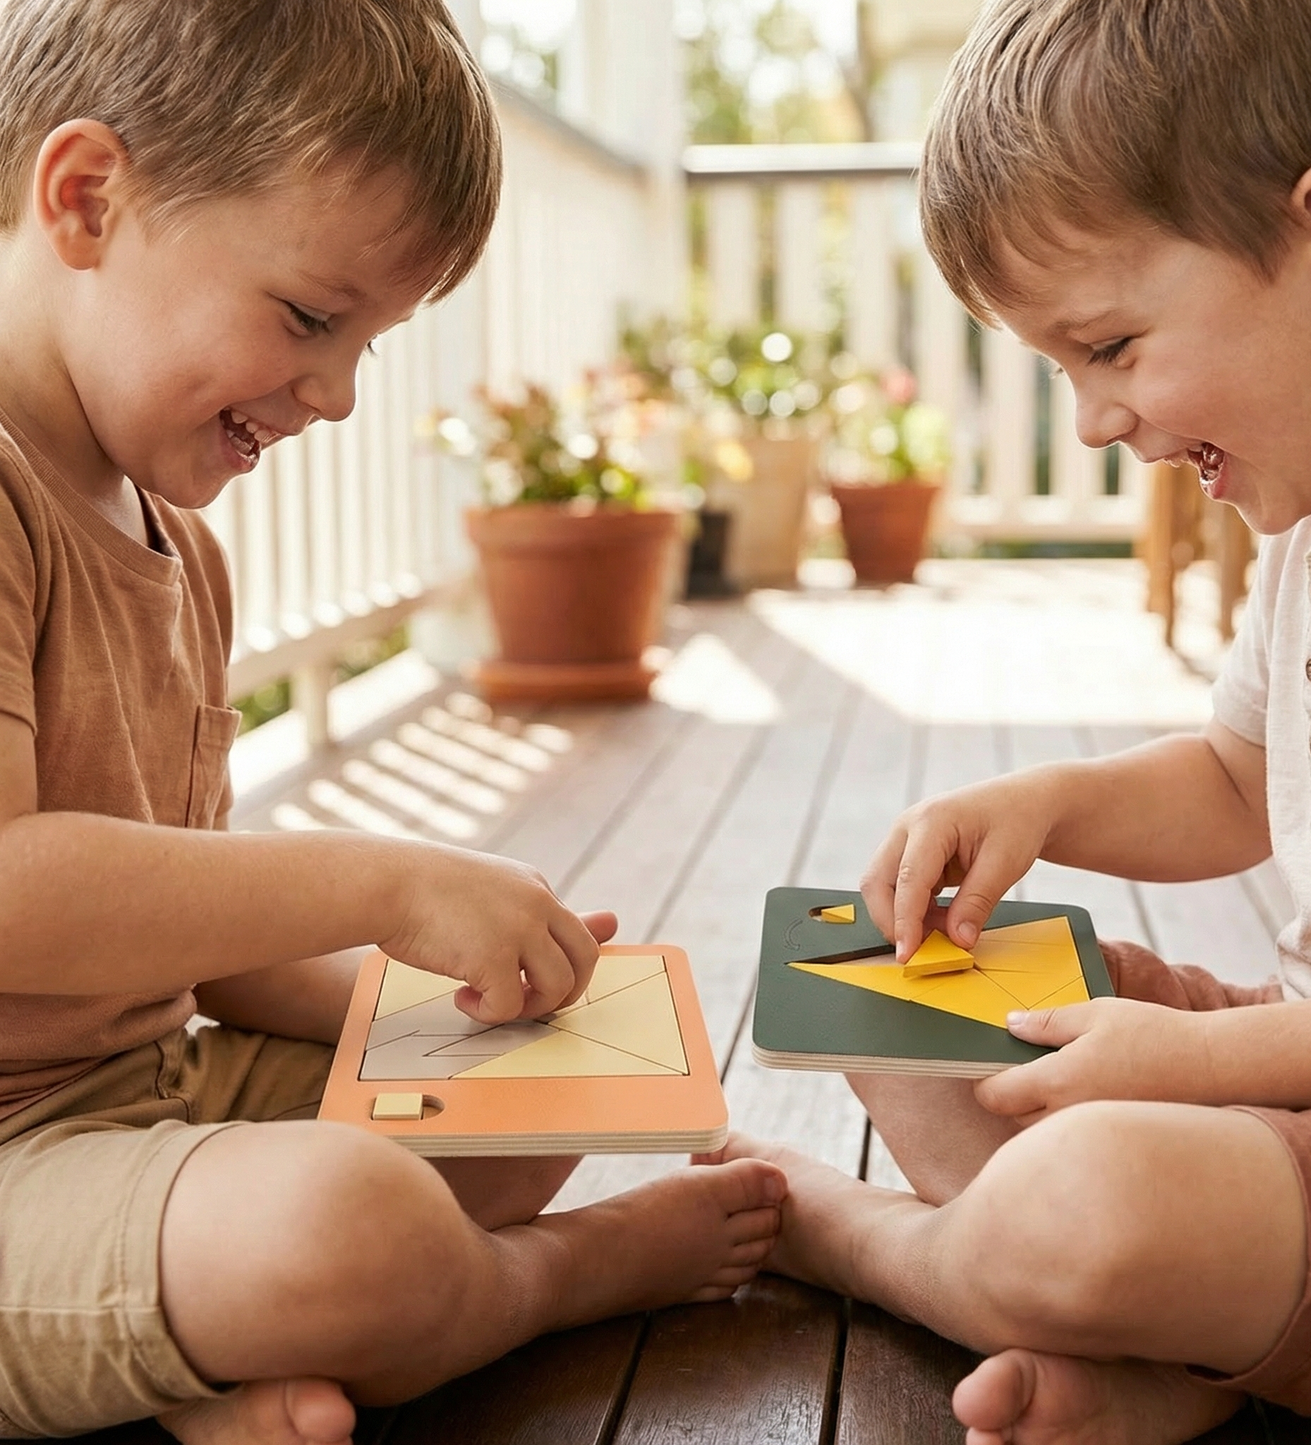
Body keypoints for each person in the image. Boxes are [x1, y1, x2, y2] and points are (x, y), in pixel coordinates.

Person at [0, 2, 785, 1440]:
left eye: (368, 340)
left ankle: (193, 1358)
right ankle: (542, 1284)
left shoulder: (179, 540)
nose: (340, 393)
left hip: (144, 1095)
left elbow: (194, 945)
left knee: (536, 1097)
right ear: (89, 199)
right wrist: (388, 879)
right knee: (343, 1229)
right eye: (310, 318)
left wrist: (440, 1007)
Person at [714, 0, 1311, 1439]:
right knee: (884, 973)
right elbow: (1239, 780)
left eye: (1109, 344)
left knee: (1088, 1194)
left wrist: (1202, 1070)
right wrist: (1048, 802)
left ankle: (886, 1250)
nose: (1097, 419)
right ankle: (1176, 1350)